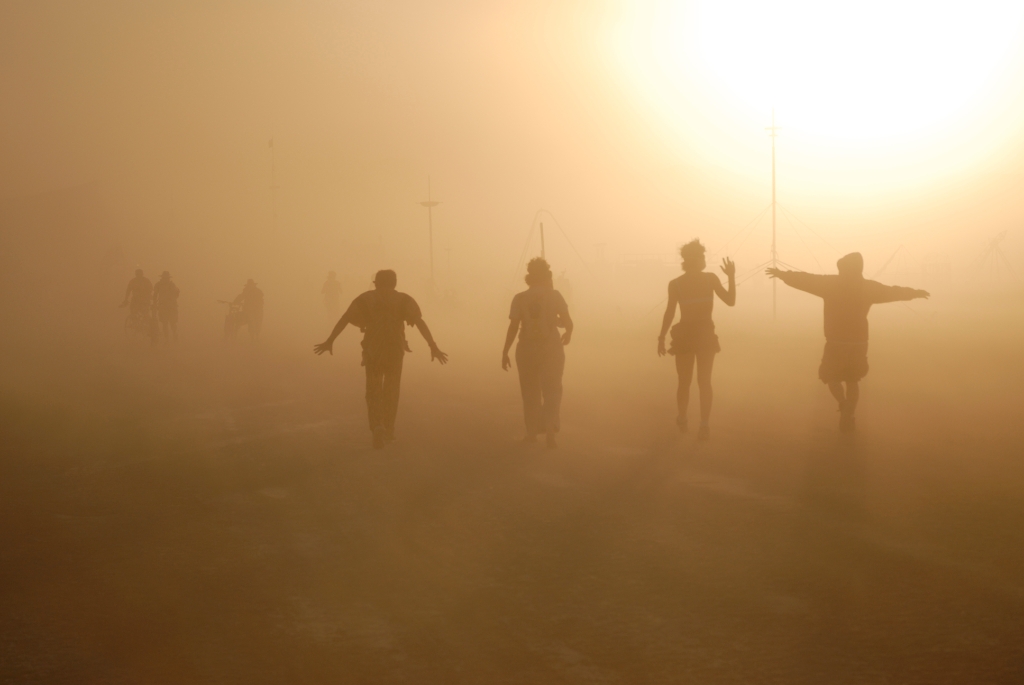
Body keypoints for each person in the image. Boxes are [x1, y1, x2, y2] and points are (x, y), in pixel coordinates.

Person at [767, 252, 929, 432]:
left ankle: (843, 404)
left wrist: (783, 275)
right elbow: (892, 291)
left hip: (836, 342)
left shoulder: (831, 284)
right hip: (858, 343)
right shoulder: (867, 287)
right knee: (853, 380)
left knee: (831, 377)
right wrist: (914, 293)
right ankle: (849, 413)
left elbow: (807, 280)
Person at [314, 269, 448, 449]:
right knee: (391, 391)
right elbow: (419, 323)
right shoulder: (404, 300)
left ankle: (377, 425)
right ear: (395, 283)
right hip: (394, 351)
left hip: (373, 351)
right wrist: (433, 346)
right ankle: (389, 429)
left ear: (376, 282)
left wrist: (330, 340)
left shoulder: (366, 299)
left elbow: (346, 318)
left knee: (373, 390)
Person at [658, 240, 735, 440]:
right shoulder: (711, 279)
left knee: (684, 382)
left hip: (685, 335)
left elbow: (669, 312)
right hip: (704, 334)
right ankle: (704, 425)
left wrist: (661, 337)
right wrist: (732, 277)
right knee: (704, 382)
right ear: (699, 259)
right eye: (702, 256)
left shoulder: (675, 284)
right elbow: (731, 301)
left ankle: (683, 419)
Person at [502, 258, 573, 448]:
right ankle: (550, 432)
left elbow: (513, 327)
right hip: (551, 349)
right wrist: (568, 333)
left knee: (530, 392)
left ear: (529, 277)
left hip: (526, 349)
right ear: (548, 276)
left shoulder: (519, 298)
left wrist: (505, 351)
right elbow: (568, 322)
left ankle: (532, 433)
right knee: (552, 390)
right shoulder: (555, 295)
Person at [152, 271, 180, 344]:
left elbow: (177, 293)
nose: (166, 279)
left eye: (167, 278)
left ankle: (174, 334)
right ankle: (167, 339)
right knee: (164, 323)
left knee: (172, 323)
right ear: (162, 278)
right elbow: (155, 295)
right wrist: (154, 304)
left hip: (171, 306)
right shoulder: (158, 285)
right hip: (163, 306)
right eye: (165, 278)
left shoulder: (172, 285)